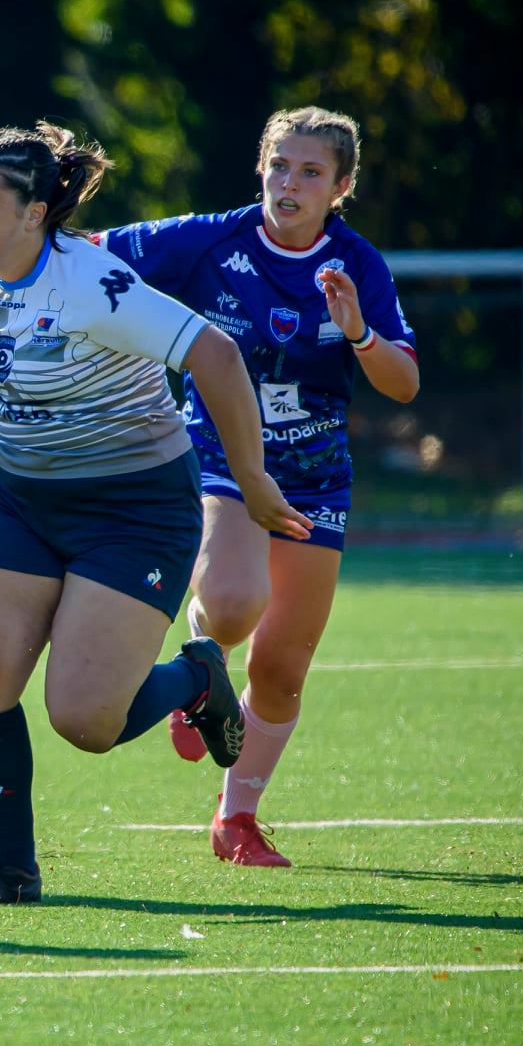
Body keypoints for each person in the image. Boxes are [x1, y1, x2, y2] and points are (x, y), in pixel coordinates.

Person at [0, 122, 310, 904]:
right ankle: (11, 871)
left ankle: (195, 674)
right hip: (20, 501)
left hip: (135, 509)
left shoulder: (93, 283)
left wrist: (250, 478)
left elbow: (214, 354)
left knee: (86, 721)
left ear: (36, 212)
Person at [95, 107, 419, 866]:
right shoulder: (210, 237)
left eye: (310, 172)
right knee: (236, 602)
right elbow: (87, 260)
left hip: (315, 476)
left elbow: (403, 384)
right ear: (260, 168)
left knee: (280, 668)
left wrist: (360, 331)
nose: (290, 183)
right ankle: (201, 673)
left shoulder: (358, 264)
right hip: (216, 453)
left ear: (341, 186)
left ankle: (235, 819)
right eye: (279, 165)